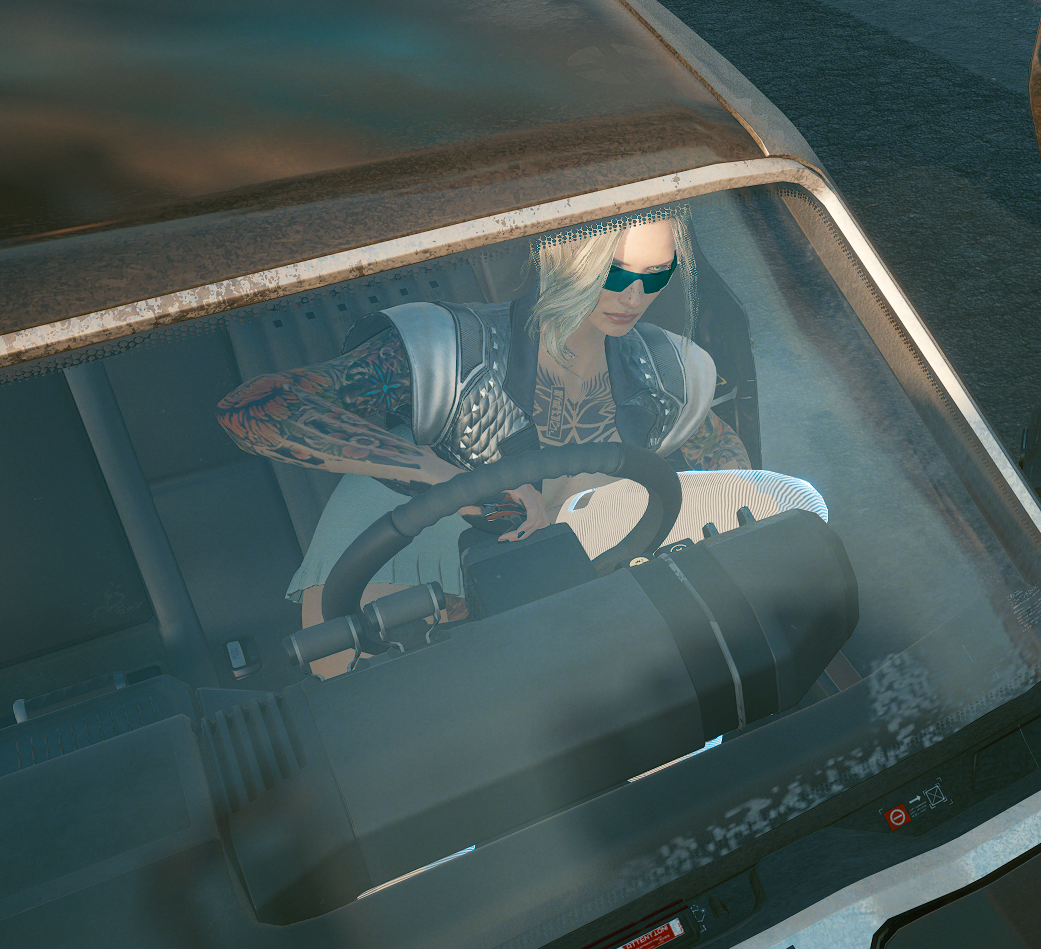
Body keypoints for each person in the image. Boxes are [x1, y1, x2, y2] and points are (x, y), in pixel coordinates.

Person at [217, 205, 752, 670]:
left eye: (656, 273)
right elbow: (257, 408)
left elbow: (719, 449)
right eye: (615, 270)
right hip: (411, 577)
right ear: (559, 252)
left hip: (579, 600)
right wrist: (449, 481)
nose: (635, 295)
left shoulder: (669, 372)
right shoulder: (448, 349)